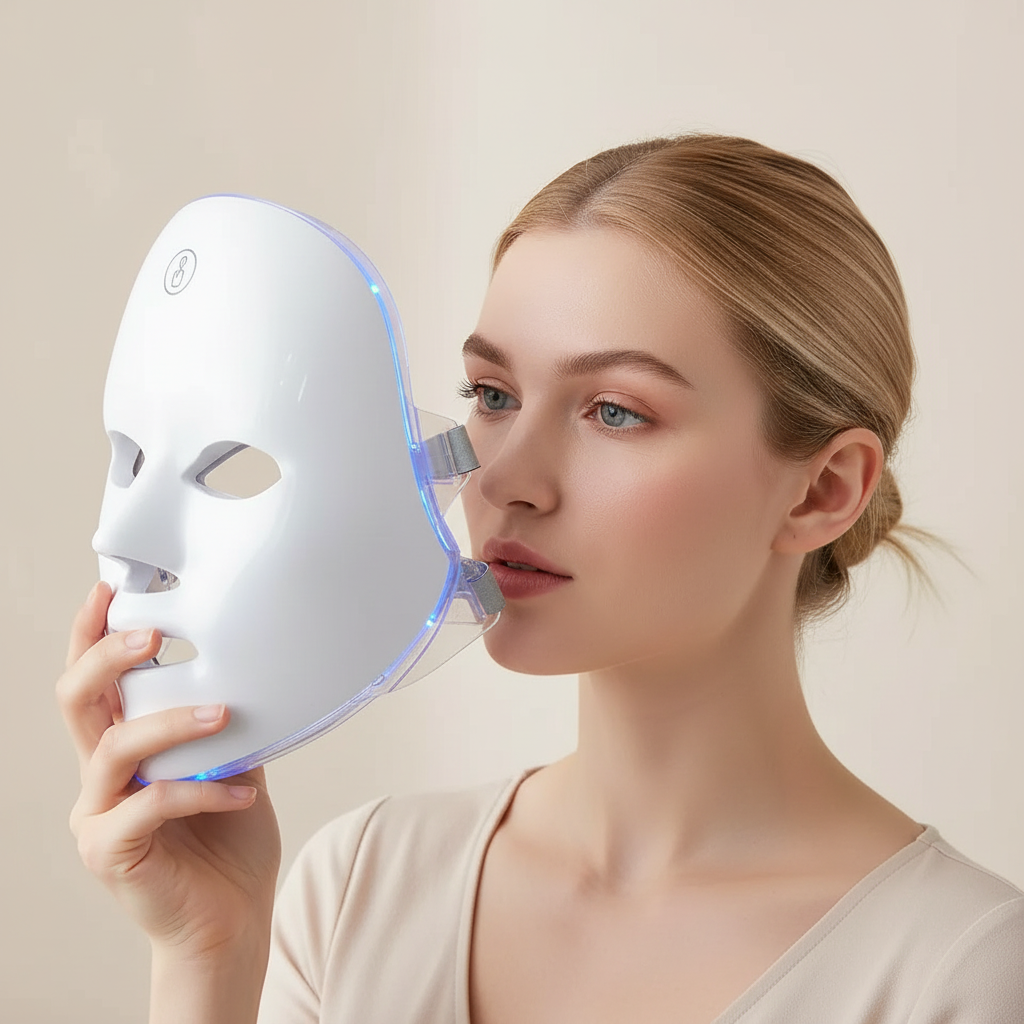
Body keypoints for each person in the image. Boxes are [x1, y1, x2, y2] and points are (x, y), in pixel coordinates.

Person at [59, 135, 1024, 1023]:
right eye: (492, 396)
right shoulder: (359, 884)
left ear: (822, 489)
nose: (503, 478)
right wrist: (205, 956)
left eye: (612, 411)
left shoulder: (960, 973)